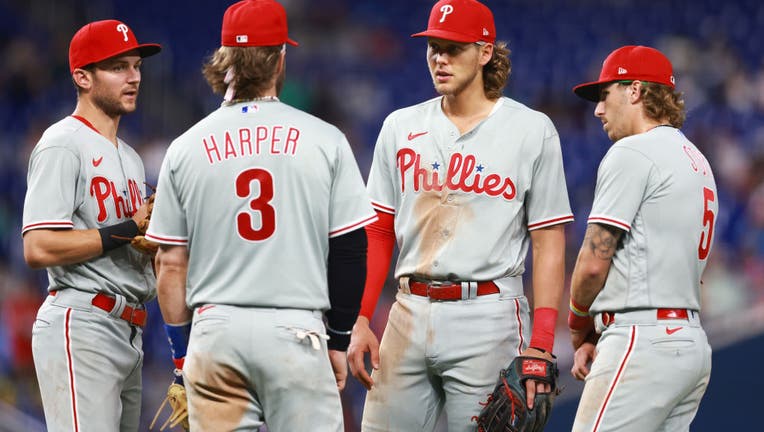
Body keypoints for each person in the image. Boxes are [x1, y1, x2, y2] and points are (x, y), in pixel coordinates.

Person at [144, 0, 377, 430]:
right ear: (280, 58)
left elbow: (170, 265)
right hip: (296, 331)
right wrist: (339, 340)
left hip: (216, 333)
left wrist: (181, 356)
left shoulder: (185, 147)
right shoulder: (325, 139)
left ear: (224, 58)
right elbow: (349, 250)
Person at [346, 0, 573, 430]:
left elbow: (548, 242)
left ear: (485, 52)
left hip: (488, 315)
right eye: (433, 47)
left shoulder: (531, 130)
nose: (439, 58)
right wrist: (359, 318)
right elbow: (378, 231)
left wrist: (541, 343)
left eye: (453, 48)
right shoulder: (400, 126)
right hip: (407, 311)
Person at [568, 45, 716, 431]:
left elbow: (593, 262)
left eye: (605, 95)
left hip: (642, 342)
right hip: (690, 344)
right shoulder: (697, 160)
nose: (598, 110)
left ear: (635, 91)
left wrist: (578, 323)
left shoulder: (632, 152)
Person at [21, 19, 160, 431]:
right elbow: (38, 247)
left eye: (136, 65)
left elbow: (128, 236)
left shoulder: (132, 159)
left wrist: (151, 243)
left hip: (130, 331)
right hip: (83, 322)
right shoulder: (62, 143)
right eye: (117, 67)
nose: (133, 76)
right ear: (83, 76)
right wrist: (128, 229)